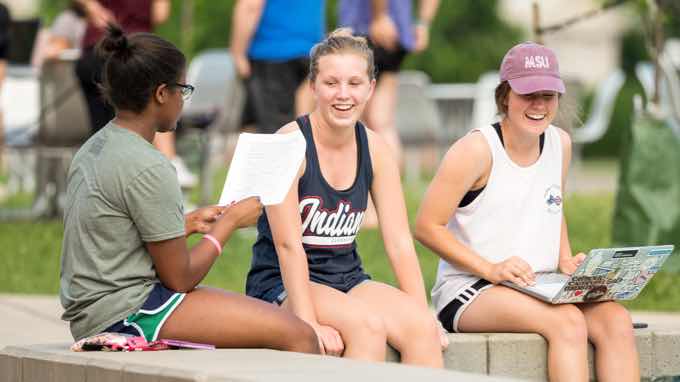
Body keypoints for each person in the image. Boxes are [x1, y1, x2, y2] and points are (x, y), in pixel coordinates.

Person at [59, 25, 319, 354]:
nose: (183, 100)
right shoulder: (150, 166)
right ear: (161, 94)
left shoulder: (95, 147)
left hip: (94, 309)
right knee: (299, 335)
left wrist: (189, 223)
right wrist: (229, 223)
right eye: (183, 90)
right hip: (128, 314)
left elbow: (113, 234)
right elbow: (180, 279)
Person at [415, 42, 638, 381]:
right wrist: (490, 269)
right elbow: (427, 226)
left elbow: (552, 204)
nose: (538, 105)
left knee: (617, 321)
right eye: (528, 94)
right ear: (505, 96)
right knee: (567, 322)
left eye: (548, 96)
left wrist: (565, 260)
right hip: (471, 288)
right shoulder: (476, 149)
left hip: (538, 284)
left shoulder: (560, 143)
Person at [245, 28, 445, 365]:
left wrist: (423, 313)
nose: (343, 94)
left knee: (421, 329)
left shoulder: (377, 149)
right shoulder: (288, 144)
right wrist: (307, 322)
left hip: (347, 278)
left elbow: (398, 242)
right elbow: (287, 246)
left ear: (371, 88)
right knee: (365, 328)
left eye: (354, 83)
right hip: (282, 283)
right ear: (312, 87)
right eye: (331, 83)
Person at [338, 0, 439, 228]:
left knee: (359, 125)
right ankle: (389, 207)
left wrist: (379, 16)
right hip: (398, 32)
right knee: (383, 123)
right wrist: (422, 23)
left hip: (366, 30)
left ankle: (369, 211)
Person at [74, 0, 196, 187]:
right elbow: (160, 14)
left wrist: (94, 8)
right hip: (138, 54)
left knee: (103, 136)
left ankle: (105, 184)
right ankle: (170, 163)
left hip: (98, 49)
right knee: (152, 111)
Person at [229, 0, 323, 134]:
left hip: (272, 54)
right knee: (301, 129)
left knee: (274, 133)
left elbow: (250, 6)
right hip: (310, 53)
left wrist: (237, 52)